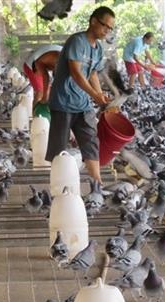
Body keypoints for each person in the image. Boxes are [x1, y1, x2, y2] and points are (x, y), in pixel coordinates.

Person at [45, 6, 115, 183]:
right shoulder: (77, 41)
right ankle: (59, 186)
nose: (107, 31)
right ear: (93, 21)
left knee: (91, 142)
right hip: (63, 102)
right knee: (59, 149)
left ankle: (97, 183)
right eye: (105, 26)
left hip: (83, 104)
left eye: (110, 28)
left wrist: (101, 98)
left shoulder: (98, 49)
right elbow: (76, 73)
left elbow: (93, 74)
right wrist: (94, 95)